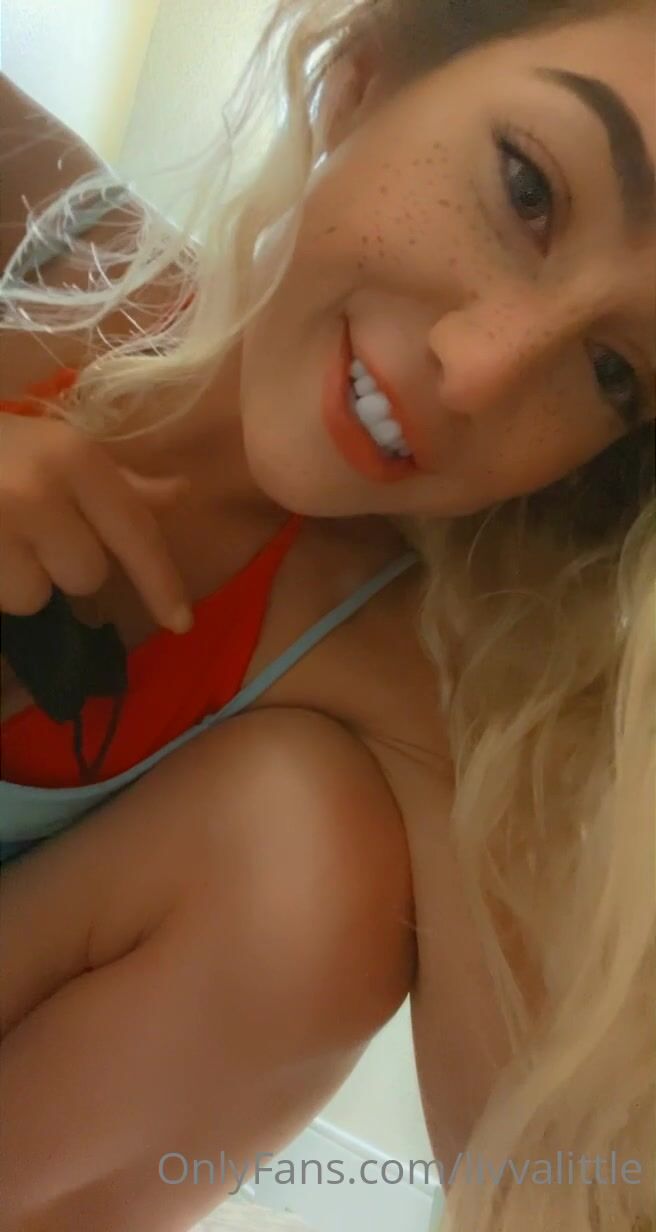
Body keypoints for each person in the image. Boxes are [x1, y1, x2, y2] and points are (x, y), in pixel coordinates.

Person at [0, 1, 653, 1230]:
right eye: (526, 189)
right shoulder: (32, 217)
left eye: (612, 370)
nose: (480, 366)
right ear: (364, 73)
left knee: (308, 869)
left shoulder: (403, 672)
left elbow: (561, 1194)